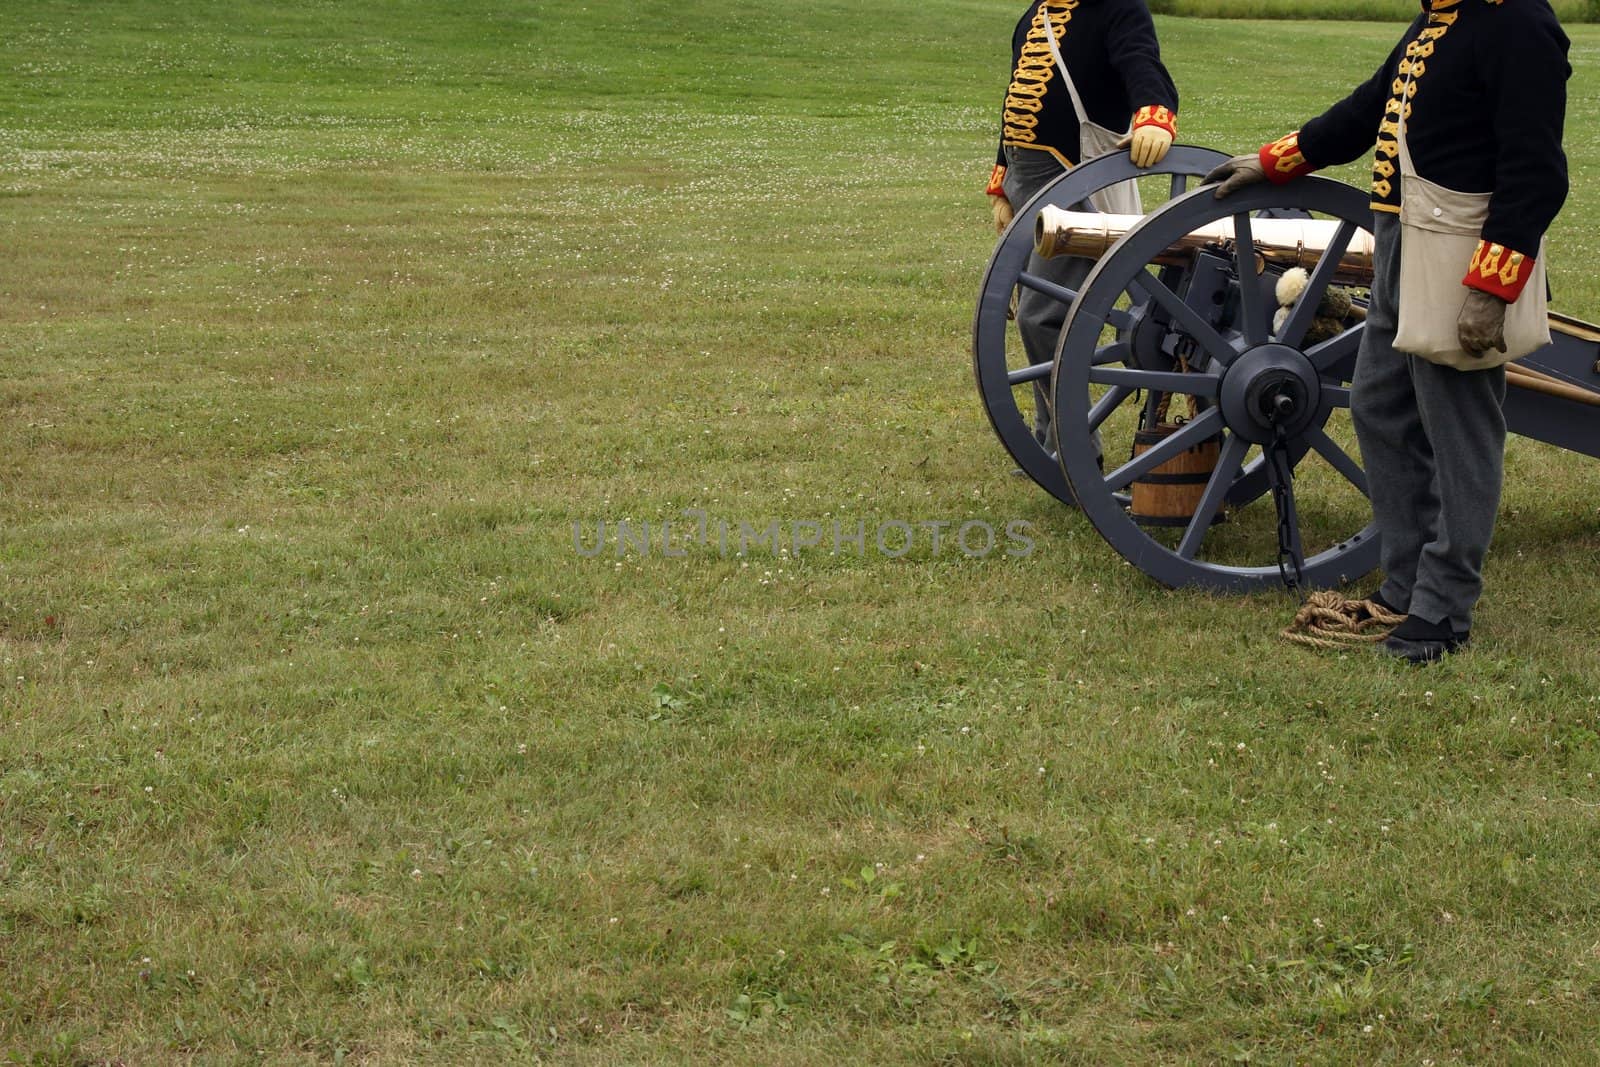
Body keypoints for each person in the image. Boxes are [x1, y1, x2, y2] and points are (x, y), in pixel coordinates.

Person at [1206, 0, 1570, 663]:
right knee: (1378, 405)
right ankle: (1405, 582)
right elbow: (1371, 107)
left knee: (1459, 428)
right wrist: (1277, 160)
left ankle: (1443, 608)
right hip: (1405, 241)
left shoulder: (1518, 21)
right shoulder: (1442, 18)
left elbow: (1536, 170)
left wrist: (1491, 286)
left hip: (1462, 253)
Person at [987, 0, 1180, 456]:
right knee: (1035, 316)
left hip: (1071, 177)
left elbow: (1142, 63)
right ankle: (1048, 437)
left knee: (1042, 316)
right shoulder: (1037, 12)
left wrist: (1154, 113)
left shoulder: (1117, 7)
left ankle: (1073, 446)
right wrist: (1001, 181)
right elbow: (1015, 102)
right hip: (1026, 179)